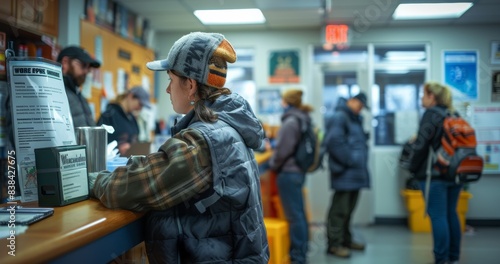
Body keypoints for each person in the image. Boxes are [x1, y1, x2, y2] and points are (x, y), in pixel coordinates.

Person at [89, 32, 269, 263]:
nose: (167, 90)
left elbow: (129, 187)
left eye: (170, 80)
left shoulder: (203, 140)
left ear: (191, 85)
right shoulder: (226, 126)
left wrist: (92, 181)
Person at [406, 82, 461, 264]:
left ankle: (441, 258)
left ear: (432, 96)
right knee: (451, 214)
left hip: (435, 176)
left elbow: (421, 147)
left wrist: (412, 168)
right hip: (455, 173)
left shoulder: (431, 115)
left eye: (423, 94)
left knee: (438, 216)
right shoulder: (453, 114)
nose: (421, 98)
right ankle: (453, 257)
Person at [323, 92, 370, 258]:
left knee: (349, 211)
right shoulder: (340, 117)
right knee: (339, 211)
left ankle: (345, 240)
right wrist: (350, 160)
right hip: (345, 173)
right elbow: (334, 141)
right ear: (351, 101)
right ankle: (334, 245)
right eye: (359, 104)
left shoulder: (354, 118)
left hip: (354, 174)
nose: (360, 108)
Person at [269, 88, 313, 264]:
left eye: (282, 101)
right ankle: (303, 250)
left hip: (288, 173)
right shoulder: (302, 118)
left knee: (294, 216)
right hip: (298, 171)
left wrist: (272, 165)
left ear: (286, 102)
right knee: (299, 214)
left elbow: (283, 151)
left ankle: (298, 257)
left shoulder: (290, 122)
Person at [97, 86, 151, 156]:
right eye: (140, 104)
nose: (140, 109)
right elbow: (98, 143)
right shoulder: (109, 115)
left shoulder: (132, 119)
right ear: (131, 96)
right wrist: (118, 148)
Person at [57, 46, 101, 127]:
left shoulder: (78, 95)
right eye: (83, 65)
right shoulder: (55, 94)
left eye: (88, 68)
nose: (86, 71)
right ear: (65, 62)